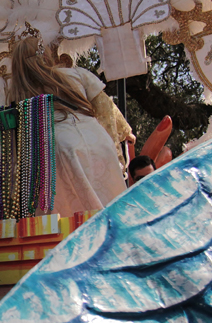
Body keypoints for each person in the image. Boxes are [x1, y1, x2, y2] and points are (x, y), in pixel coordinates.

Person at [8, 35, 133, 217]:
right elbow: (106, 109)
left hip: (53, 149)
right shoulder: (76, 73)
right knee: (112, 207)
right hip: (96, 139)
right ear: (46, 56)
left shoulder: (18, 92)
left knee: (68, 216)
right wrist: (119, 143)